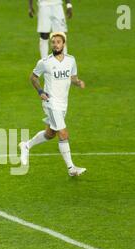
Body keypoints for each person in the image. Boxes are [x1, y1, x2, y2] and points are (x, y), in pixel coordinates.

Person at [19, 32, 86, 176]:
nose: (55, 44)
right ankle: (71, 168)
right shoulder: (45, 62)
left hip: (63, 103)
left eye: (58, 42)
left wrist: (78, 82)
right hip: (51, 102)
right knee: (63, 132)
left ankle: (26, 145)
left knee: (50, 134)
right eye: (53, 42)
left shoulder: (71, 60)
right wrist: (40, 91)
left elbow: (73, 77)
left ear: (64, 44)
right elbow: (33, 77)